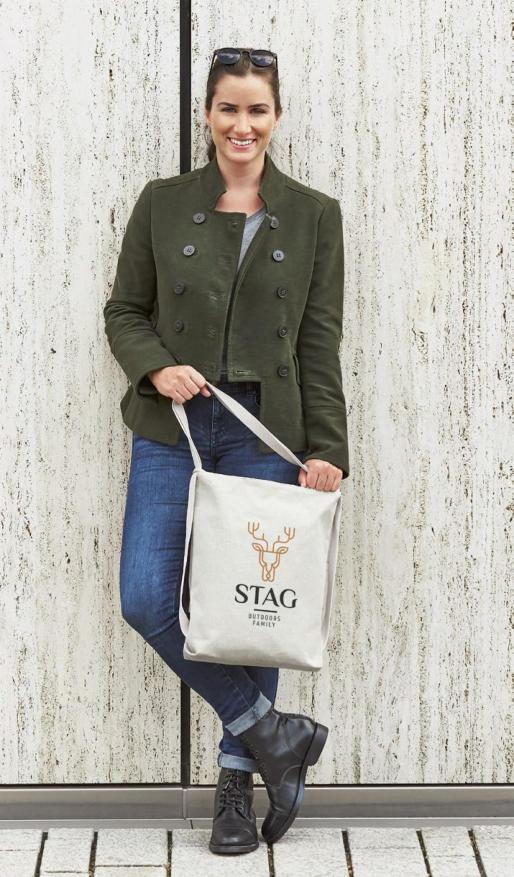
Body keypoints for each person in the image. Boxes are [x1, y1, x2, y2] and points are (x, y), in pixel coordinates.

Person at [103, 46, 350, 856]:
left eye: (257, 110)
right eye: (229, 109)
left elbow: (318, 341)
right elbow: (124, 310)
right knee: (146, 596)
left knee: (252, 614)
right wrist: (156, 366)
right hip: (174, 427)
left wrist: (326, 448)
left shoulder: (313, 215)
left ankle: (236, 787)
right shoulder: (163, 202)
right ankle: (272, 730)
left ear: (276, 117)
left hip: (265, 430)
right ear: (207, 114)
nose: (243, 125)